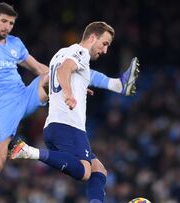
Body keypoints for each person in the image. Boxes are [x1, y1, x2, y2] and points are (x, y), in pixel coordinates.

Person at [0, 2, 137, 202]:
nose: (7, 27)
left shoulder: (15, 43)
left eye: (11, 23)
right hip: (3, 106)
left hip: (24, 94)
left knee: (48, 75)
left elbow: (39, 68)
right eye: (3, 21)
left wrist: (73, 84)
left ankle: (117, 85)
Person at [9, 21, 140, 203]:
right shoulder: (81, 53)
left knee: (98, 170)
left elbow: (49, 81)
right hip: (68, 126)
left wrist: (76, 87)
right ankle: (29, 151)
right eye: (105, 43)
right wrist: (70, 94)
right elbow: (65, 70)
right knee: (85, 172)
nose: (105, 50)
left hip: (55, 126)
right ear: (93, 37)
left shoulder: (60, 53)